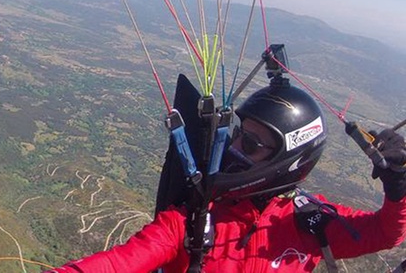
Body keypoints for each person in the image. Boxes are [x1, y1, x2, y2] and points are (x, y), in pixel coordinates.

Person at [46, 77, 406, 272]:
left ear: (289, 159)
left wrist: (398, 188)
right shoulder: (194, 220)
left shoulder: (308, 222)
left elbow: (385, 233)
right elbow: (121, 262)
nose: (234, 148)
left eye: (250, 143)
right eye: (237, 134)